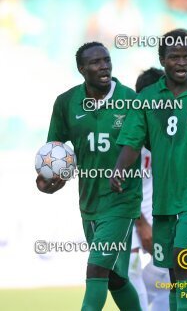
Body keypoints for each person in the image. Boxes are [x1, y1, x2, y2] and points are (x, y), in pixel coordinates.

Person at [111, 29, 187, 311]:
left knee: (183, 263)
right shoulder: (146, 98)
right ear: (162, 59)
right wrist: (119, 169)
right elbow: (132, 141)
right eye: (174, 57)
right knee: (171, 273)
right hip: (164, 200)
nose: (181, 63)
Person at [36, 42, 142, 311]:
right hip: (89, 203)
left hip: (121, 201)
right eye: (95, 62)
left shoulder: (130, 100)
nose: (104, 65)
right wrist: (45, 181)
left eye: (107, 60)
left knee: (95, 270)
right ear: (82, 69)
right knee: (113, 278)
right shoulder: (66, 103)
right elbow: (53, 152)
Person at [128, 67, 171, 311]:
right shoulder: (130, 131)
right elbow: (121, 183)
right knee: (131, 266)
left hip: (164, 213)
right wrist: (141, 222)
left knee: (170, 273)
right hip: (132, 212)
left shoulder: (174, 127)